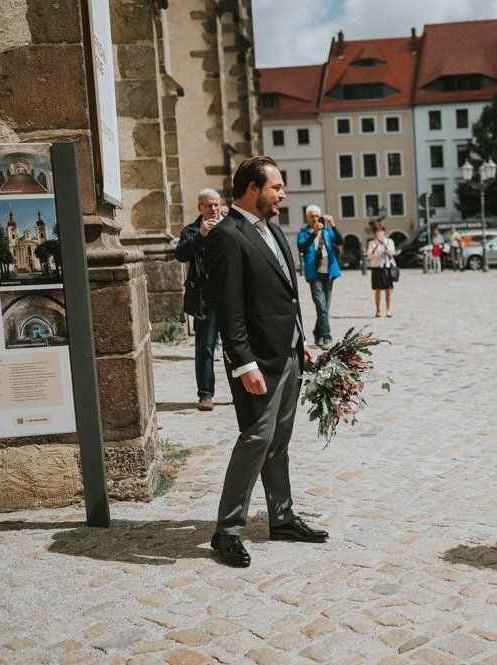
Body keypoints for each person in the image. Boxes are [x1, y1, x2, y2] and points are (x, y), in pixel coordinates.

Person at [204, 156, 327, 567]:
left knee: (279, 442)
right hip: (257, 362)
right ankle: (227, 531)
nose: (284, 194)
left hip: (288, 354)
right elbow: (229, 310)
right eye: (277, 187)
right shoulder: (226, 235)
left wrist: (302, 342)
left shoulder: (273, 229)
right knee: (256, 439)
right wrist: (244, 364)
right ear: (253, 189)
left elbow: (287, 296)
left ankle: (283, 517)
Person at [174, 188, 223, 411]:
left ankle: (243, 394)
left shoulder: (230, 226)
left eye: (216, 204)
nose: (213, 209)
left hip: (230, 295)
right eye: (208, 205)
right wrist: (201, 235)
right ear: (200, 207)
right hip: (205, 299)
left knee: (236, 347)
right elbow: (181, 254)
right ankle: (205, 394)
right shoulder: (192, 230)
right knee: (205, 347)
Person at [296, 205, 343, 348]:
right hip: (314, 274)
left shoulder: (328, 231)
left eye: (317, 216)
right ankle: (327, 337)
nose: (315, 219)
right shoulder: (303, 233)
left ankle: (317, 333)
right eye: (312, 216)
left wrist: (333, 224)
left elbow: (340, 241)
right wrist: (313, 234)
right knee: (322, 307)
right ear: (307, 217)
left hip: (329, 273)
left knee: (325, 308)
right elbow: (302, 248)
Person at [367, 224, 396, 317]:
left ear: (384, 231)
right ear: (375, 233)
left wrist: (384, 245)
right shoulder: (372, 243)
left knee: (388, 289)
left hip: (387, 267)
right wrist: (376, 246)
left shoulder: (389, 241)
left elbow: (392, 252)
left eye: (381, 231)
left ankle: (388, 310)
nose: (379, 233)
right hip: (376, 268)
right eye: (377, 231)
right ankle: (378, 310)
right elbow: (370, 256)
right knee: (378, 290)